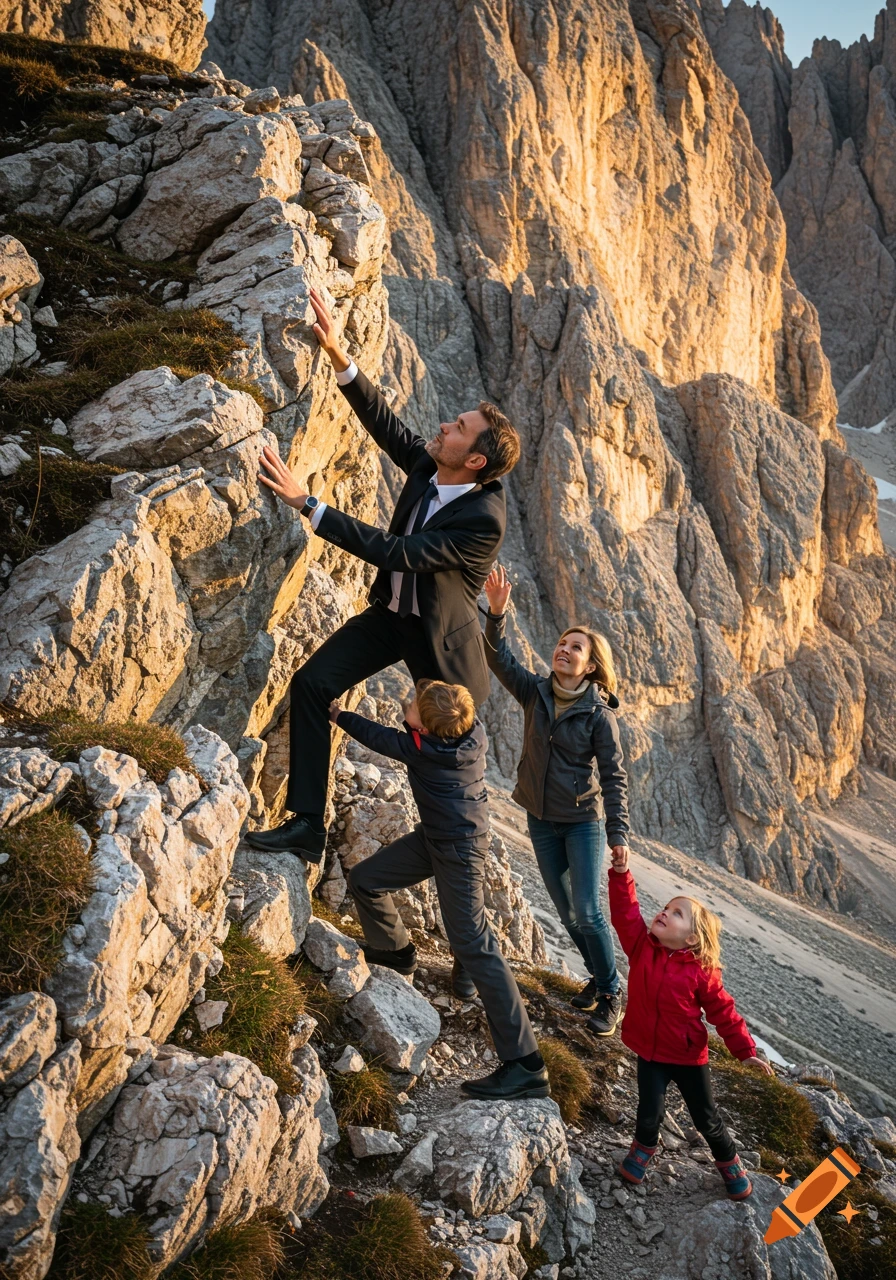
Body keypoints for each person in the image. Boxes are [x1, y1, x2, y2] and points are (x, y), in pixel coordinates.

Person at [247, 287, 520, 864]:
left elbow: (398, 553)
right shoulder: (434, 461)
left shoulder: (481, 520)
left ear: (475, 461)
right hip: (391, 617)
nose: (444, 426)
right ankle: (305, 825)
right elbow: (390, 429)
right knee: (313, 683)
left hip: (444, 654)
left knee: (441, 779)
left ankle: (454, 871)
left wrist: (307, 504)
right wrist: (339, 356)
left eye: (459, 427)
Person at [330, 678, 550, 1102]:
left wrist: (339, 715)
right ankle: (396, 952)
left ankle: (526, 1065)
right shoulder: (471, 732)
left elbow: (379, 737)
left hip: (460, 851)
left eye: (414, 706)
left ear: (425, 730)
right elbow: (438, 709)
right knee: (366, 880)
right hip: (438, 838)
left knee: (475, 945)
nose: (408, 704)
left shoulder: (424, 750)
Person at [483, 565, 628, 1037]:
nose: (564, 650)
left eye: (576, 648)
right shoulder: (536, 692)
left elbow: (614, 776)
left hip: (582, 822)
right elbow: (498, 658)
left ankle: (611, 992)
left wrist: (618, 834)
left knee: (587, 911)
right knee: (567, 912)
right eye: (562, 644)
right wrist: (498, 613)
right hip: (540, 819)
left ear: (590, 666)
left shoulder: (599, 717)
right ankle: (599, 977)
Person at [608, 845, 774, 1199]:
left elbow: (723, 1013)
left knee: (706, 1117)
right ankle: (644, 1148)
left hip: (687, 1057)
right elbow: (625, 913)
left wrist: (745, 1052)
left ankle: (729, 1161)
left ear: (692, 938)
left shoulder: (702, 972)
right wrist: (622, 876)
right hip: (648, 1051)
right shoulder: (641, 946)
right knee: (648, 1108)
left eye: (677, 913)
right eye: (666, 908)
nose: (664, 913)